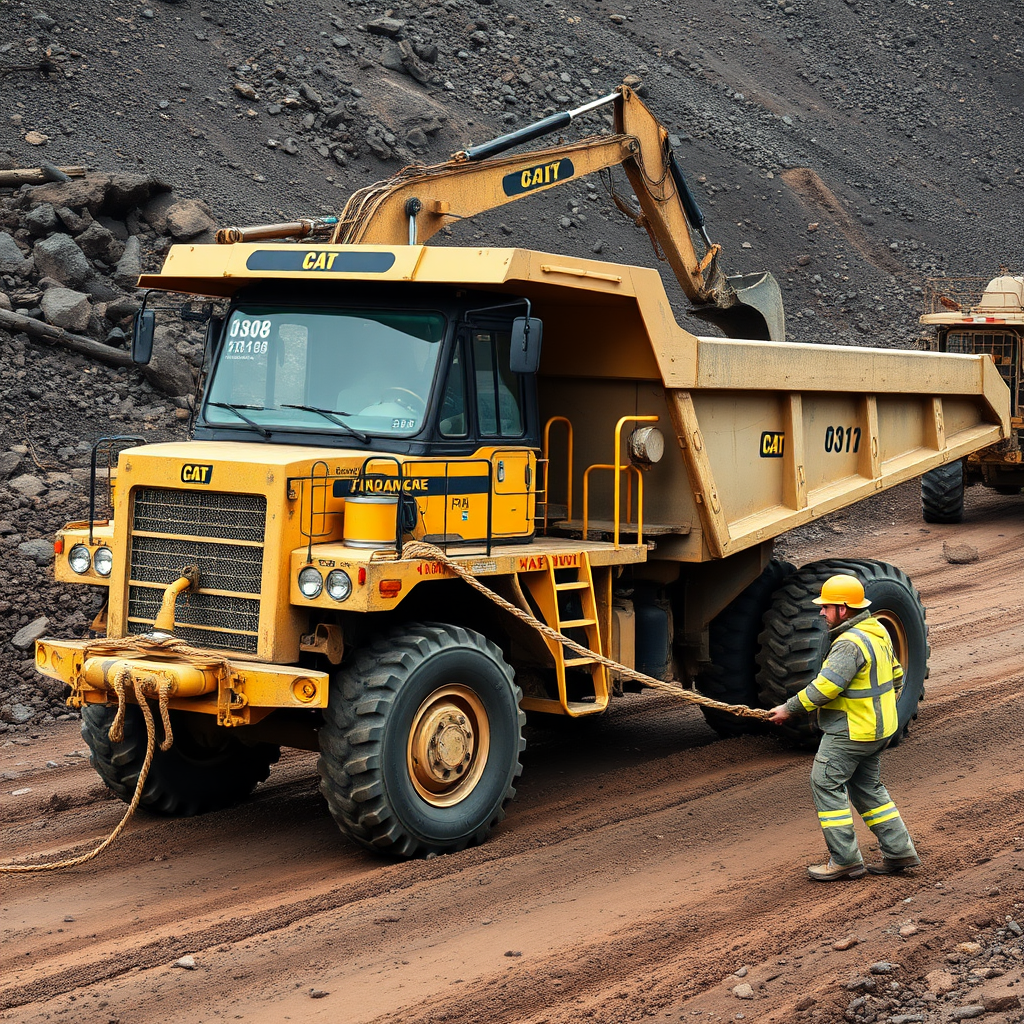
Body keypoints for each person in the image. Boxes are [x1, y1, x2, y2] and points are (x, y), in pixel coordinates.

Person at [767, 573, 921, 882]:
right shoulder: (875, 629)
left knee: (825, 781)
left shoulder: (848, 644)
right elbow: (896, 678)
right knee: (868, 788)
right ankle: (899, 851)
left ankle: (845, 859)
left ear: (844, 610)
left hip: (851, 731)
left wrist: (788, 709)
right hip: (878, 729)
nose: (822, 612)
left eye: (827, 607)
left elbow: (825, 688)